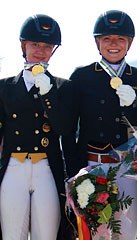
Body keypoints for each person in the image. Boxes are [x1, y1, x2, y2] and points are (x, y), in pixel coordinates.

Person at [61, 10, 137, 240]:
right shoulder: (81, 77)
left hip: (127, 170)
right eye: (107, 39)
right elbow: (68, 131)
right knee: (93, 234)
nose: (113, 44)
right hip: (90, 166)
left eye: (120, 39)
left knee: (127, 232)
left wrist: (133, 107)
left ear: (129, 43)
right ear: (97, 42)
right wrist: (72, 174)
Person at [0, 14, 70, 239]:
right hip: (14, 167)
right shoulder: (5, 87)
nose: (40, 51)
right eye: (35, 44)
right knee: (12, 234)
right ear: (23, 45)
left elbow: (63, 128)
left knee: (47, 234)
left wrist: (48, 94)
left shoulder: (62, 87)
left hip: (46, 167)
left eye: (47, 46)